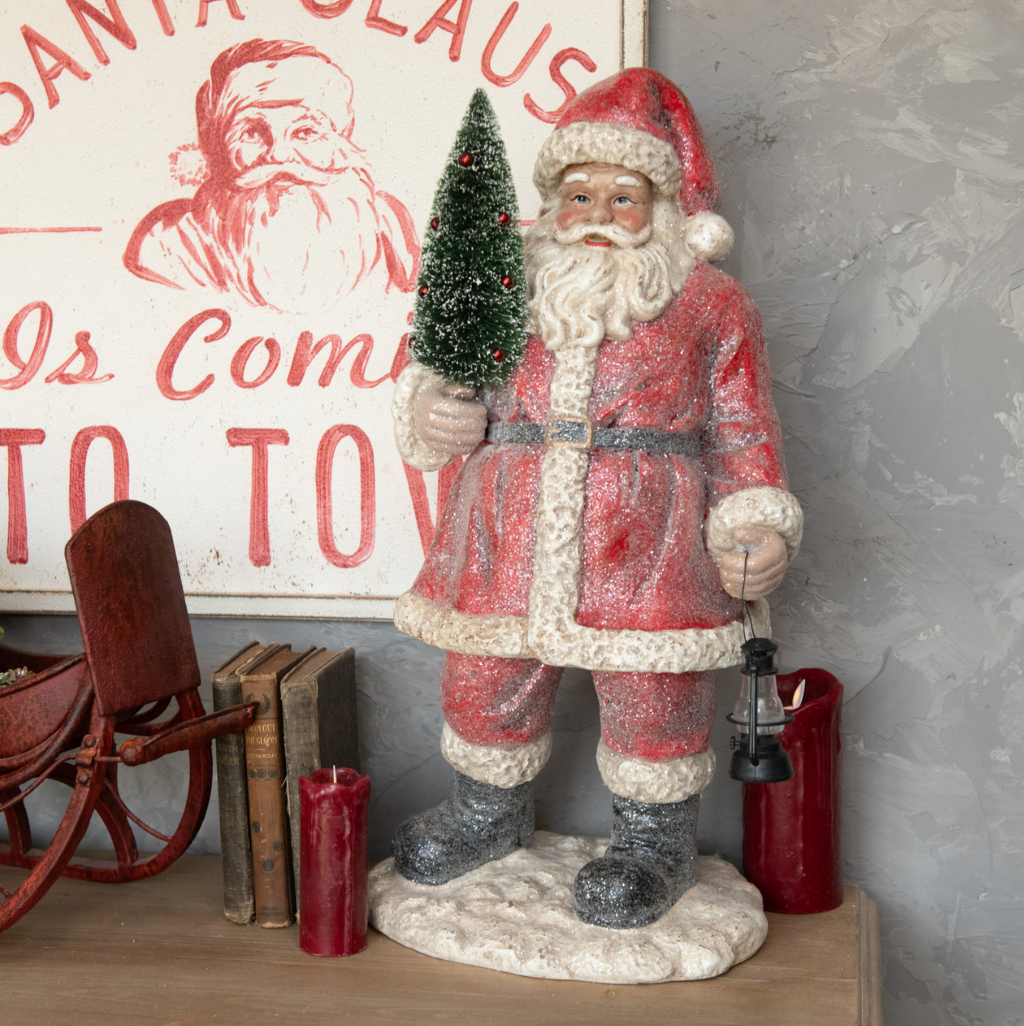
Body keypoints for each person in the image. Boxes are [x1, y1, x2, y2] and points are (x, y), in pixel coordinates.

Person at [389, 68, 803, 929]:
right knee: (486, 674)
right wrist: (432, 410)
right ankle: (486, 813)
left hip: (649, 538)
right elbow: (438, 373)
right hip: (505, 526)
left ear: (663, 208)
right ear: (552, 204)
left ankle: (655, 843)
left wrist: (755, 520)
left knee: (654, 690)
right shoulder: (503, 286)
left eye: (624, 198)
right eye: (580, 196)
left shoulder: (711, 305)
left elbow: (741, 429)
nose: (599, 215)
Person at [124, 39, 419, 314]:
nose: (279, 156)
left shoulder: (391, 227)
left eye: (306, 132)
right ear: (219, 148)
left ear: (339, 142)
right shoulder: (169, 243)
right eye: (251, 132)